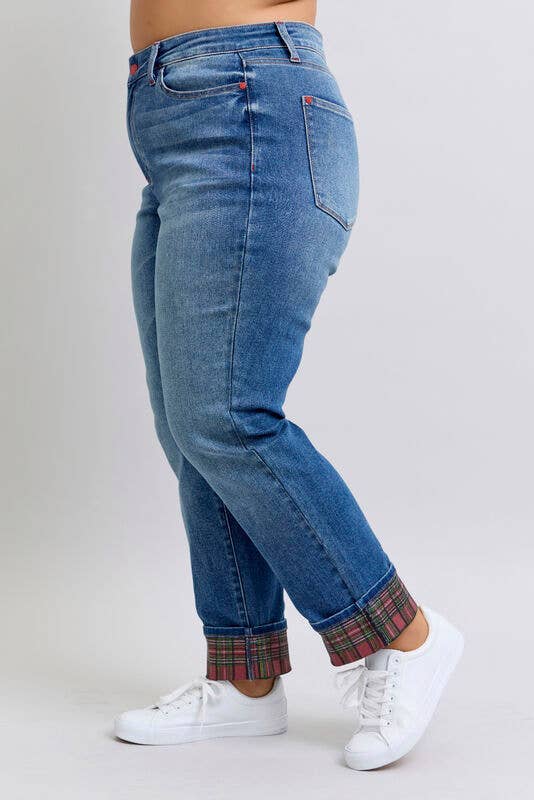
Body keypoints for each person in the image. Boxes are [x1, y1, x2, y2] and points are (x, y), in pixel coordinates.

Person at [115, 0, 463, 770]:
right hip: (173, 117)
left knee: (227, 416)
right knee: (191, 428)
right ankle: (244, 678)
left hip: (249, 105)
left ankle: (404, 634)